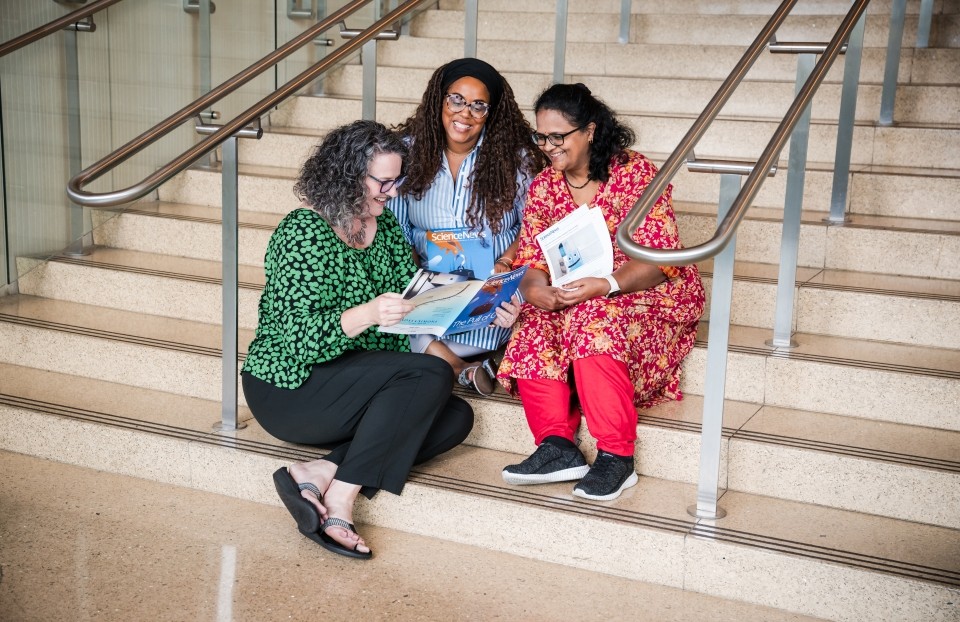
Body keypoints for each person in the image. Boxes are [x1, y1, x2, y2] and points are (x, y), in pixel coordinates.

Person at [240, 120, 474, 560]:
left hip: (353, 379)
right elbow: (299, 339)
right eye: (383, 181)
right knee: (430, 376)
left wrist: (474, 303)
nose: (392, 191)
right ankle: (343, 498)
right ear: (347, 175)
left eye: (397, 179)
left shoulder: (384, 231)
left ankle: (321, 468)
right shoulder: (304, 232)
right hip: (289, 386)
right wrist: (368, 314)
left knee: (457, 417)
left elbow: (407, 307)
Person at [497, 83, 705, 501]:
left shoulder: (635, 173)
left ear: (589, 130)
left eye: (559, 136)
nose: (548, 146)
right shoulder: (543, 187)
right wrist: (537, 291)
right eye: (541, 136)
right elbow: (533, 259)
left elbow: (660, 258)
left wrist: (605, 284)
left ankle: (616, 456)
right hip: (576, 293)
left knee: (594, 316)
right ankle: (557, 445)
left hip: (645, 292)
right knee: (536, 319)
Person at [388, 57, 548, 395]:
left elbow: (531, 226)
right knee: (399, 312)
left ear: (491, 113)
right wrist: (418, 274)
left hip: (492, 279)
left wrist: (504, 265)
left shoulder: (514, 160)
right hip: (429, 281)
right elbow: (395, 228)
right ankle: (465, 367)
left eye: (479, 106)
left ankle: (454, 359)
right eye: (456, 100)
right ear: (440, 100)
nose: (465, 114)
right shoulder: (407, 154)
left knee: (516, 310)